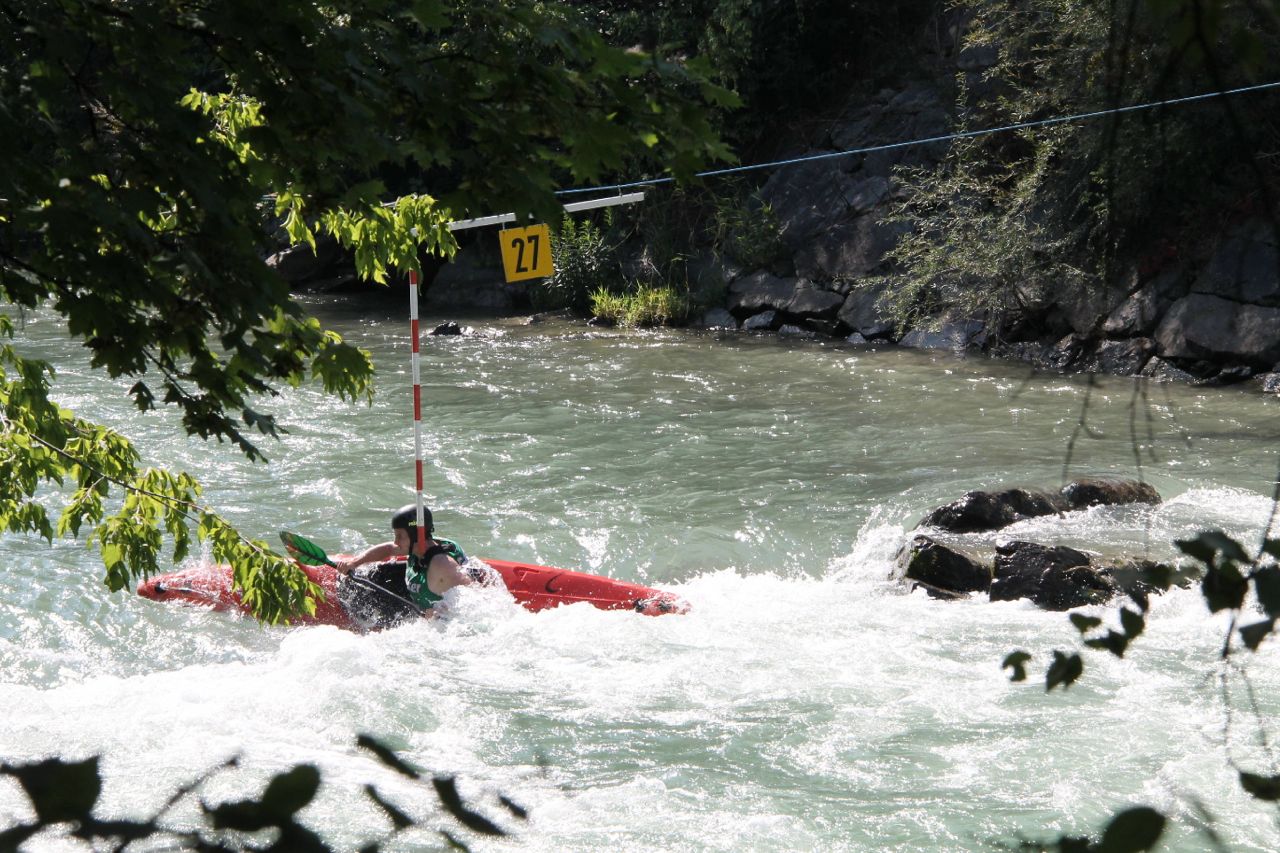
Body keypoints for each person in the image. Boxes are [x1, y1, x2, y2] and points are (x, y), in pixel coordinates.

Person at [334, 504, 475, 622]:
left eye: (400, 536)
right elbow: (388, 549)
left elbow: (474, 599)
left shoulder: (442, 565)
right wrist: (355, 562)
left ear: (417, 535)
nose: (396, 542)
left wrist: (442, 613)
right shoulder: (418, 547)